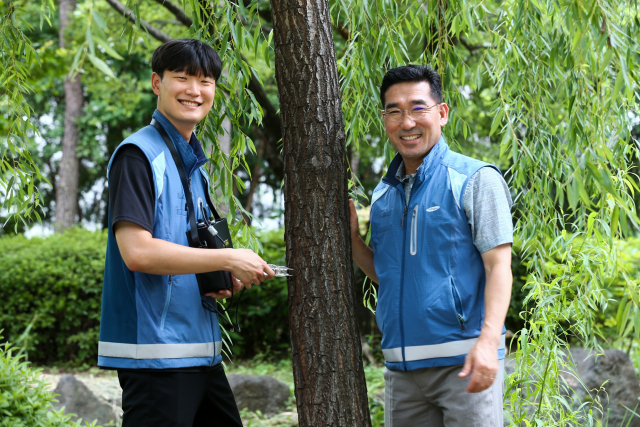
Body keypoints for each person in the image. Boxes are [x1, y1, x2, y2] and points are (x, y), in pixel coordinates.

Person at [98, 39, 275, 427]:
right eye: (182, 78)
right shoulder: (137, 154)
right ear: (156, 83)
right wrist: (228, 257)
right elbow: (137, 253)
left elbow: (185, 247)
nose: (195, 91)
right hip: (155, 358)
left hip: (199, 353)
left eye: (206, 81)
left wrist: (220, 276)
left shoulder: (194, 162)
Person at [349, 64, 513, 426]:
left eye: (418, 108)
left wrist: (488, 343)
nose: (407, 122)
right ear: (385, 119)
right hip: (401, 372)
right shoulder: (382, 195)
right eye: (395, 111)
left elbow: (498, 266)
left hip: (465, 363)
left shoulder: (475, 178)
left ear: (442, 113)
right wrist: (353, 241)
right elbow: (389, 275)